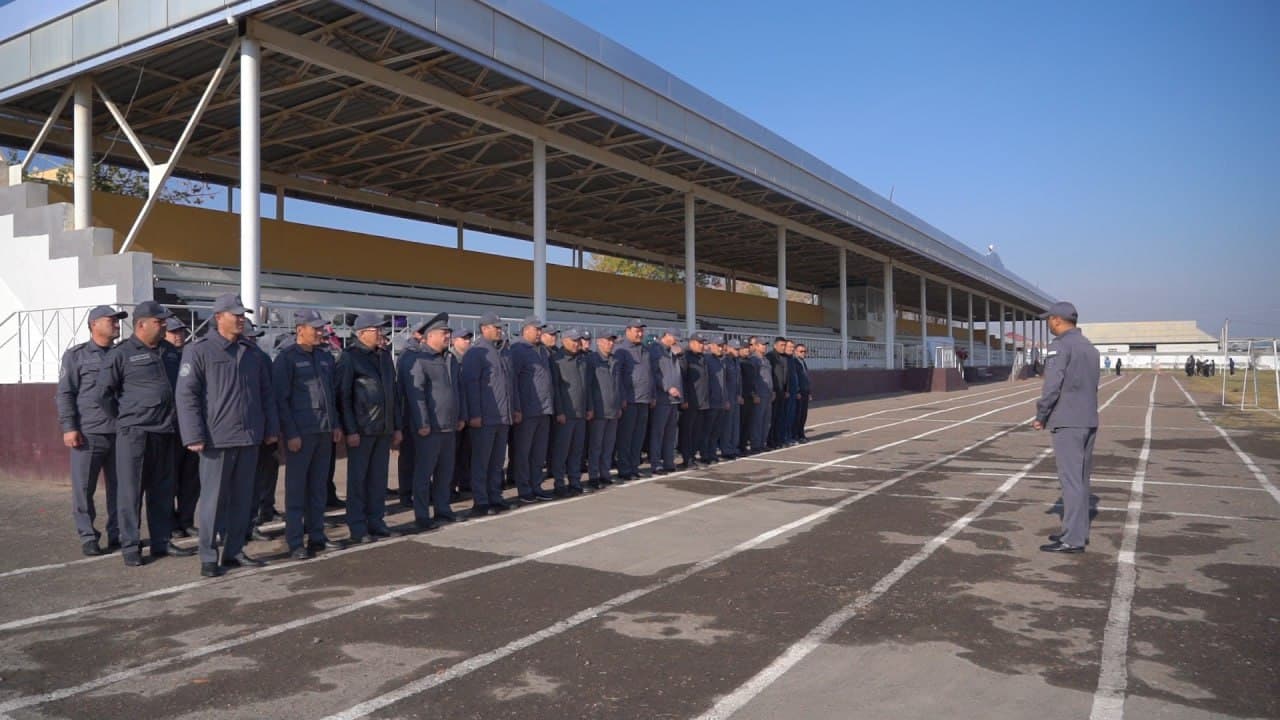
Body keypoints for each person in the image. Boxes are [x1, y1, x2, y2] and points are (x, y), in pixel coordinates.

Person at [176, 294, 278, 577]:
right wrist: (193, 435)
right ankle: (208, 556)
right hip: (216, 438)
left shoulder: (252, 353)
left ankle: (234, 551)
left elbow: (266, 394)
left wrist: (271, 429)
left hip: (249, 437)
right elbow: (186, 395)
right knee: (213, 501)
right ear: (219, 317)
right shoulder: (199, 351)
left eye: (243, 315)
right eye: (236, 315)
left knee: (243, 499)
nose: (241, 319)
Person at [97, 300, 195, 567]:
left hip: (166, 432)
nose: (164, 325)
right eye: (159, 322)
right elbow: (103, 394)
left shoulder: (170, 351)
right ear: (141, 325)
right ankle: (130, 546)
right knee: (131, 492)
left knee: (162, 491)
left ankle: (162, 541)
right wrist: (127, 418)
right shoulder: (121, 354)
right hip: (135, 434)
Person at [273, 309, 344, 560]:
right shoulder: (286, 359)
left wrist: (335, 424)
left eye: (321, 328)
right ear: (300, 329)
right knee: (296, 491)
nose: (320, 332)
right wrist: (290, 433)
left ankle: (317, 536)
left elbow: (330, 396)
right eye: (315, 328)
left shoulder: (324, 357)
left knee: (318, 489)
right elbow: (281, 400)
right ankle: (295, 542)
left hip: (323, 431)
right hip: (301, 434)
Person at [57, 305, 126, 556]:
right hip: (89, 433)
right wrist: (69, 427)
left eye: (117, 321)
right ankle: (88, 536)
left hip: (120, 432)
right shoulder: (76, 356)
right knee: (84, 488)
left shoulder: (123, 353)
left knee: (121, 488)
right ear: (94, 324)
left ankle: (119, 534)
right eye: (111, 320)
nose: (116, 324)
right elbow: (65, 393)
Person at [1033, 301, 1100, 554]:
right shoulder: (1089, 347)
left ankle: (1073, 539)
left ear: (1057, 320)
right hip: (1088, 418)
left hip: (1068, 421)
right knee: (1081, 480)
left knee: (1071, 481)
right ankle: (1074, 531)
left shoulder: (1060, 346)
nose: (1048, 323)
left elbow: (1053, 385)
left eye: (1049, 319)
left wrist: (1041, 414)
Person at [336, 313, 401, 544]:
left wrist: (396, 426)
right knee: (358, 481)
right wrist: (350, 429)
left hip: (383, 428)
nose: (381, 333)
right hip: (362, 429)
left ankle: (377, 521)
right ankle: (357, 526)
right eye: (376, 330)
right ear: (362, 333)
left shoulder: (384, 356)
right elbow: (343, 396)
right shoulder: (350, 357)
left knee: (378, 479)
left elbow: (393, 394)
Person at [402, 312, 467, 529]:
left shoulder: (450, 359)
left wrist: (461, 415)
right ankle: (422, 514)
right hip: (430, 428)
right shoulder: (419, 359)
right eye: (443, 333)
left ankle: (443, 509)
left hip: (449, 425)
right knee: (424, 473)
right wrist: (422, 422)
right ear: (430, 336)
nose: (448, 336)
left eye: (449, 333)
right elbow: (416, 394)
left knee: (445, 472)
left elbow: (458, 390)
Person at [462, 312, 516, 516]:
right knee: (481, 462)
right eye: (496, 327)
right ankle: (481, 500)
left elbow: (509, 385)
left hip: (502, 416)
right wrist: (475, 414)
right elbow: (471, 385)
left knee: (497, 462)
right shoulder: (476, 353)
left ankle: (495, 496)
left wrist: (513, 409)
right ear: (484, 328)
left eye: (500, 327)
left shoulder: (502, 351)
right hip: (485, 417)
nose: (500, 330)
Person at [510, 316, 556, 503]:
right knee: (523, 452)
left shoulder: (542, 351)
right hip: (527, 410)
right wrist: (517, 407)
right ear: (526, 329)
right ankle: (524, 488)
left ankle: (536, 485)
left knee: (538, 453)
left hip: (544, 410)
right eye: (536, 329)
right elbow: (513, 381)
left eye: (540, 329)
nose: (539, 333)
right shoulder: (518, 350)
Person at [164, 316, 201, 539]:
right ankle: (170, 524)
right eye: (174, 332)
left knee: (191, 478)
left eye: (181, 331)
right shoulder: (161, 355)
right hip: (170, 426)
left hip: (191, 425)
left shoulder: (192, 353)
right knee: (170, 478)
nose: (179, 335)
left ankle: (186, 520)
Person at [549, 328, 592, 496]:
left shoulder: (582, 359)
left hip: (580, 413)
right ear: (564, 340)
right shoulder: (557, 360)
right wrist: (559, 411)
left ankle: (575, 481)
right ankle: (559, 483)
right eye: (573, 340)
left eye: (578, 340)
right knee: (561, 451)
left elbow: (587, 386)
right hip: (566, 414)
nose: (576, 344)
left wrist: (589, 407)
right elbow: (556, 388)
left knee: (577, 451)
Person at [615, 319, 653, 481]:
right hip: (629, 400)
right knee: (626, 437)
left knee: (638, 437)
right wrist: (622, 397)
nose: (640, 333)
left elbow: (650, 374)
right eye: (637, 330)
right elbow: (617, 376)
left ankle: (634, 466)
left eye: (641, 330)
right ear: (628, 330)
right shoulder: (621, 350)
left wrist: (652, 395)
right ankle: (624, 468)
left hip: (643, 399)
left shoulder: (644, 350)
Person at [587, 331, 626, 489]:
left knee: (608, 445)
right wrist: (590, 407)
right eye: (607, 340)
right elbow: (588, 386)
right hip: (599, 409)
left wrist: (619, 403)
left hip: (613, 409)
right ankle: (593, 475)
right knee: (596, 445)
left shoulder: (614, 360)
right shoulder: (592, 360)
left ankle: (605, 473)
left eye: (612, 341)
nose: (611, 343)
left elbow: (618, 384)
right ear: (599, 342)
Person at [649, 329, 683, 475]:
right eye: (674, 337)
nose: (676, 341)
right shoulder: (656, 350)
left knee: (670, 433)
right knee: (658, 432)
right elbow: (654, 373)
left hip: (674, 399)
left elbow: (677, 374)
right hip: (662, 398)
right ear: (667, 335)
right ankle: (656, 463)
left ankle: (669, 461)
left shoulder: (671, 351)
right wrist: (667, 387)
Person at [678, 333, 711, 468]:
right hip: (690, 401)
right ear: (691, 343)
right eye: (699, 342)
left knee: (697, 432)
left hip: (702, 401)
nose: (702, 345)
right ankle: (687, 458)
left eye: (703, 342)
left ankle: (692, 456)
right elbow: (682, 379)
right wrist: (684, 398)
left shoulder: (702, 358)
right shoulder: (685, 357)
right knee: (687, 432)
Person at [450, 329, 474, 502]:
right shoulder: (450, 359)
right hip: (455, 414)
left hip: (469, 411)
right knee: (453, 454)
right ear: (454, 340)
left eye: (468, 339)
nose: (467, 342)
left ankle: (465, 482)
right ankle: (450, 487)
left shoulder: (470, 359)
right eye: (464, 339)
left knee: (466, 451)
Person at [703, 337, 728, 464]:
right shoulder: (707, 360)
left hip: (720, 401)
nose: (720, 348)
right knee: (707, 430)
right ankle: (705, 454)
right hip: (711, 401)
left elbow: (724, 382)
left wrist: (725, 399)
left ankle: (712, 453)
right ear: (711, 345)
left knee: (716, 431)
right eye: (718, 345)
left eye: (722, 346)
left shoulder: (721, 361)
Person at [719, 338, 743, 460]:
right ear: (728, 348)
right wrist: (726, 399)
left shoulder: (736, 361)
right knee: (727, 426)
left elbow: (739, 380)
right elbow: (723, 382)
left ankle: (734, 447)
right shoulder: (724, 361)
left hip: (735, 396)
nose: (737, 351)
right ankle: (726, 449)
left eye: (738, 349)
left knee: (735, 424)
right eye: (735, 349)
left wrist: (739, 394)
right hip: (728, 397)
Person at [750, 336, 775, 453]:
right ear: (756, 346)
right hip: (759, 394)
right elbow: (752, 378)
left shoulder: (766, 360)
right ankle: (755, 444)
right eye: (762, 344)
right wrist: (754, 394)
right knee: (757, 420)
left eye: (765, 345)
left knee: (766, 421)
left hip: (768, 394)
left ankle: (762, 443)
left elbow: (769, 377)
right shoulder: (753, 360)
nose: (764, 347)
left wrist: (772, 391)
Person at [766, 338, 788, 448]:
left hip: (781, 392)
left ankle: (777, 439)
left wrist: (786, 390)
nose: (783, 347)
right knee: (772, 418)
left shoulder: (783, 357)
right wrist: (773, 390)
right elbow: (770, 376)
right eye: (781, 345)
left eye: (784, 345)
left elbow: (785, 376)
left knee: (779, 417)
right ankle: (770, 441)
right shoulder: (770, 357)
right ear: (775, 345)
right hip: (774, 392)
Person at [793, 343, 811, 443]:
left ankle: (801, 433)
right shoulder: (794, 362)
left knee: (804, 415)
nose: (803, 353)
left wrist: (809, 392)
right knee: (798, 415)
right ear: (795, 352)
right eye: (801, 351)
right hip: (799, 392)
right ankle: (796, 435)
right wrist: (797, 391)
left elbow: (806, 378)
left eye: (804, 351)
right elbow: (795, 379)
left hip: (805, 391)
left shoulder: (803, 362)